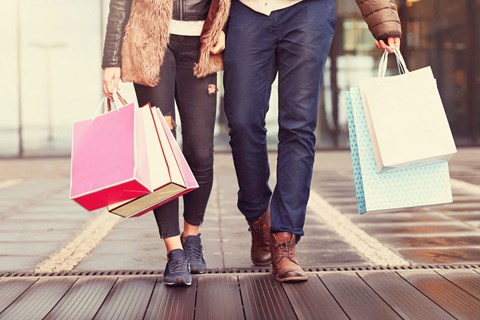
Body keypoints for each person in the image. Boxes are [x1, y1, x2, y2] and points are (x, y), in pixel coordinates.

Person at [223, 0, 402, 282]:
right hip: (248, 10)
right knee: (242, 121)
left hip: (308, 11)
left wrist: (384, 21)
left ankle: (284, 239)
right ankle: (258, 215)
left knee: (298, 125)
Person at [101, 0, 230, 286]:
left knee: (200, 152)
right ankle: (174, 250)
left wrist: (226, 29)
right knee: (161, 151)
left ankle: (192, 234)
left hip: (202, 45)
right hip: (150, 41)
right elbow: (120, 3)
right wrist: (111, 59)